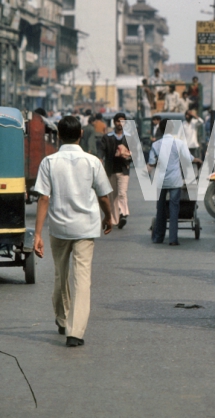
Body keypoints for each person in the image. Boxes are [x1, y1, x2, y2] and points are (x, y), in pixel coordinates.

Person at [33, 116, 113, 347]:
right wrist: (109, 218)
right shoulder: (92, 161)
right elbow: (103, 196)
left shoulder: (49, 162)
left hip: (58, 227)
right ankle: (75, 332)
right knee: (82, 279)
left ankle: (62, 317)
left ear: (58, 135)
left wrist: (37, 234)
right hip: (86, 227)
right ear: (80, 134)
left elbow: (44, 198)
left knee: (60, 274)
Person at [149, 119, 200, 245]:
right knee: (174, 209)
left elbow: (151, 162)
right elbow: (188, 159)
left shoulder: (156, 145)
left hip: (161, 181)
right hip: (175, 180)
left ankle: (158, 238)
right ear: (172, 130)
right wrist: (197, 160)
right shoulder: (179, 143)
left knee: (160, 209)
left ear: (160, 130)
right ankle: (173, 239)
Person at [100, 113, 131, 229]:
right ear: (114, 122)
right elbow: (101, 150)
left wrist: (127, 156)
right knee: (112, 196)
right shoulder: (107, 137)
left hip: (124, 170)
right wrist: (99, 158)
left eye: (122, 121)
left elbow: (135, 155)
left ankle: (123, 213)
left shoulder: (129, 137)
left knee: (122, 193)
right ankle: (114, 219)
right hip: (110, 170)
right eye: (118, 121)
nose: (120, 124)